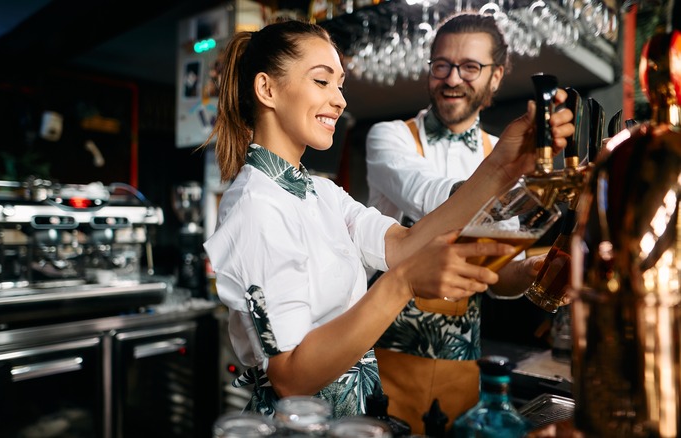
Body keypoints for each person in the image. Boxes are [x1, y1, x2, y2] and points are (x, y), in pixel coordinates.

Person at [202, 19, 573, 419]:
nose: (340, 100)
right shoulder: (255, 206)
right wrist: (405, 281)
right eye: (322, 82)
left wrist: (501, 167)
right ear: (267, 90)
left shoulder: (319, 192)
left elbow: (401, 245)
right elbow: (290, 378)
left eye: (340, 84)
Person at [364, 13, 546, 433]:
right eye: (441, 65)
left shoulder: (501, 150)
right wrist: (503, 175)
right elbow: (430, 197)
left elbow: (497, 277)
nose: (452, 78)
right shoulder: (389, 137)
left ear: (496, 77)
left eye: (470, 67)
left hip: (462, 365)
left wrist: (531, 271)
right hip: (381, 354)